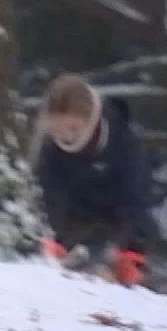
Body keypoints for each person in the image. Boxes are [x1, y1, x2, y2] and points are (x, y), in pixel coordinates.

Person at [33, 72, 156, 287]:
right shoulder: (49, 147)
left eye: (73, 129)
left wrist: (130, 249)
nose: (65, 137)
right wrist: (52, 236)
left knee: (111, 269)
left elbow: (136, 197)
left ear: (91, 120)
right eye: (57, 130)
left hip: (116, 225)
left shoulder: (122, 141)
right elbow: (47, 191)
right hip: (72, 223)